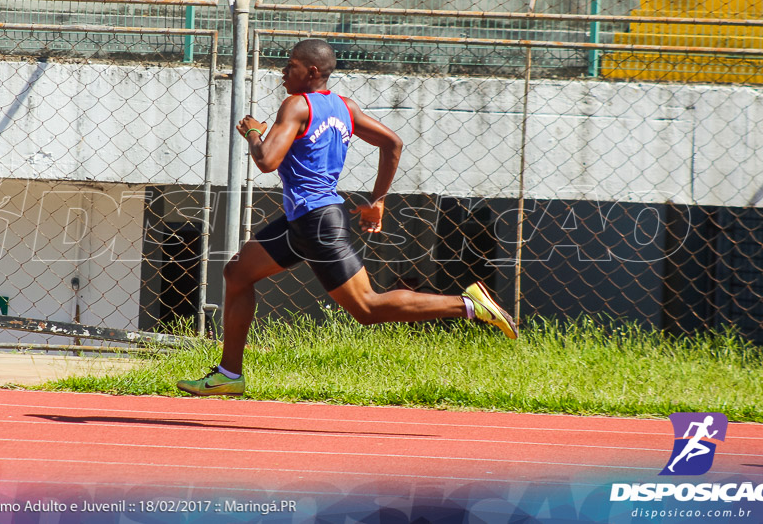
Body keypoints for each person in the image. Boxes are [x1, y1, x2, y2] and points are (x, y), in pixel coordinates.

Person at [177, 39, 517, 396]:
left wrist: (253, 133)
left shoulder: (295, 105)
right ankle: (230, 374)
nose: (282, 72)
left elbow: (266, 161)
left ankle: (468, 305)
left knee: (367, 307)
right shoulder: (345, 107)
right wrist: (378, 201)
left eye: (290, 65)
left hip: (317, 223)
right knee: (237, 273)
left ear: (311, 72)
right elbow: (393, 143)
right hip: (304, 219)